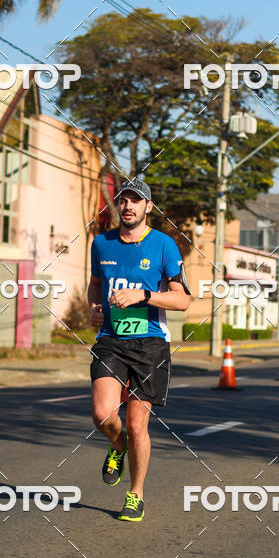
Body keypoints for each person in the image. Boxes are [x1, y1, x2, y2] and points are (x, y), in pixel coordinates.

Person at [87, 177, 191, 521]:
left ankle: (136, 495)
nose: (128, 206)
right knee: (103, 414)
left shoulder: (164, 246)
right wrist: (93, 307)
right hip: (111, 340)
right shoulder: (101, 244)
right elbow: (96, 284)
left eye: (136, 200)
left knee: (136, 424)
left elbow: (183, 300)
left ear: (149, 207)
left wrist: (143, 295)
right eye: (123, 200)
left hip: (150, 344)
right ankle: (117, 445)